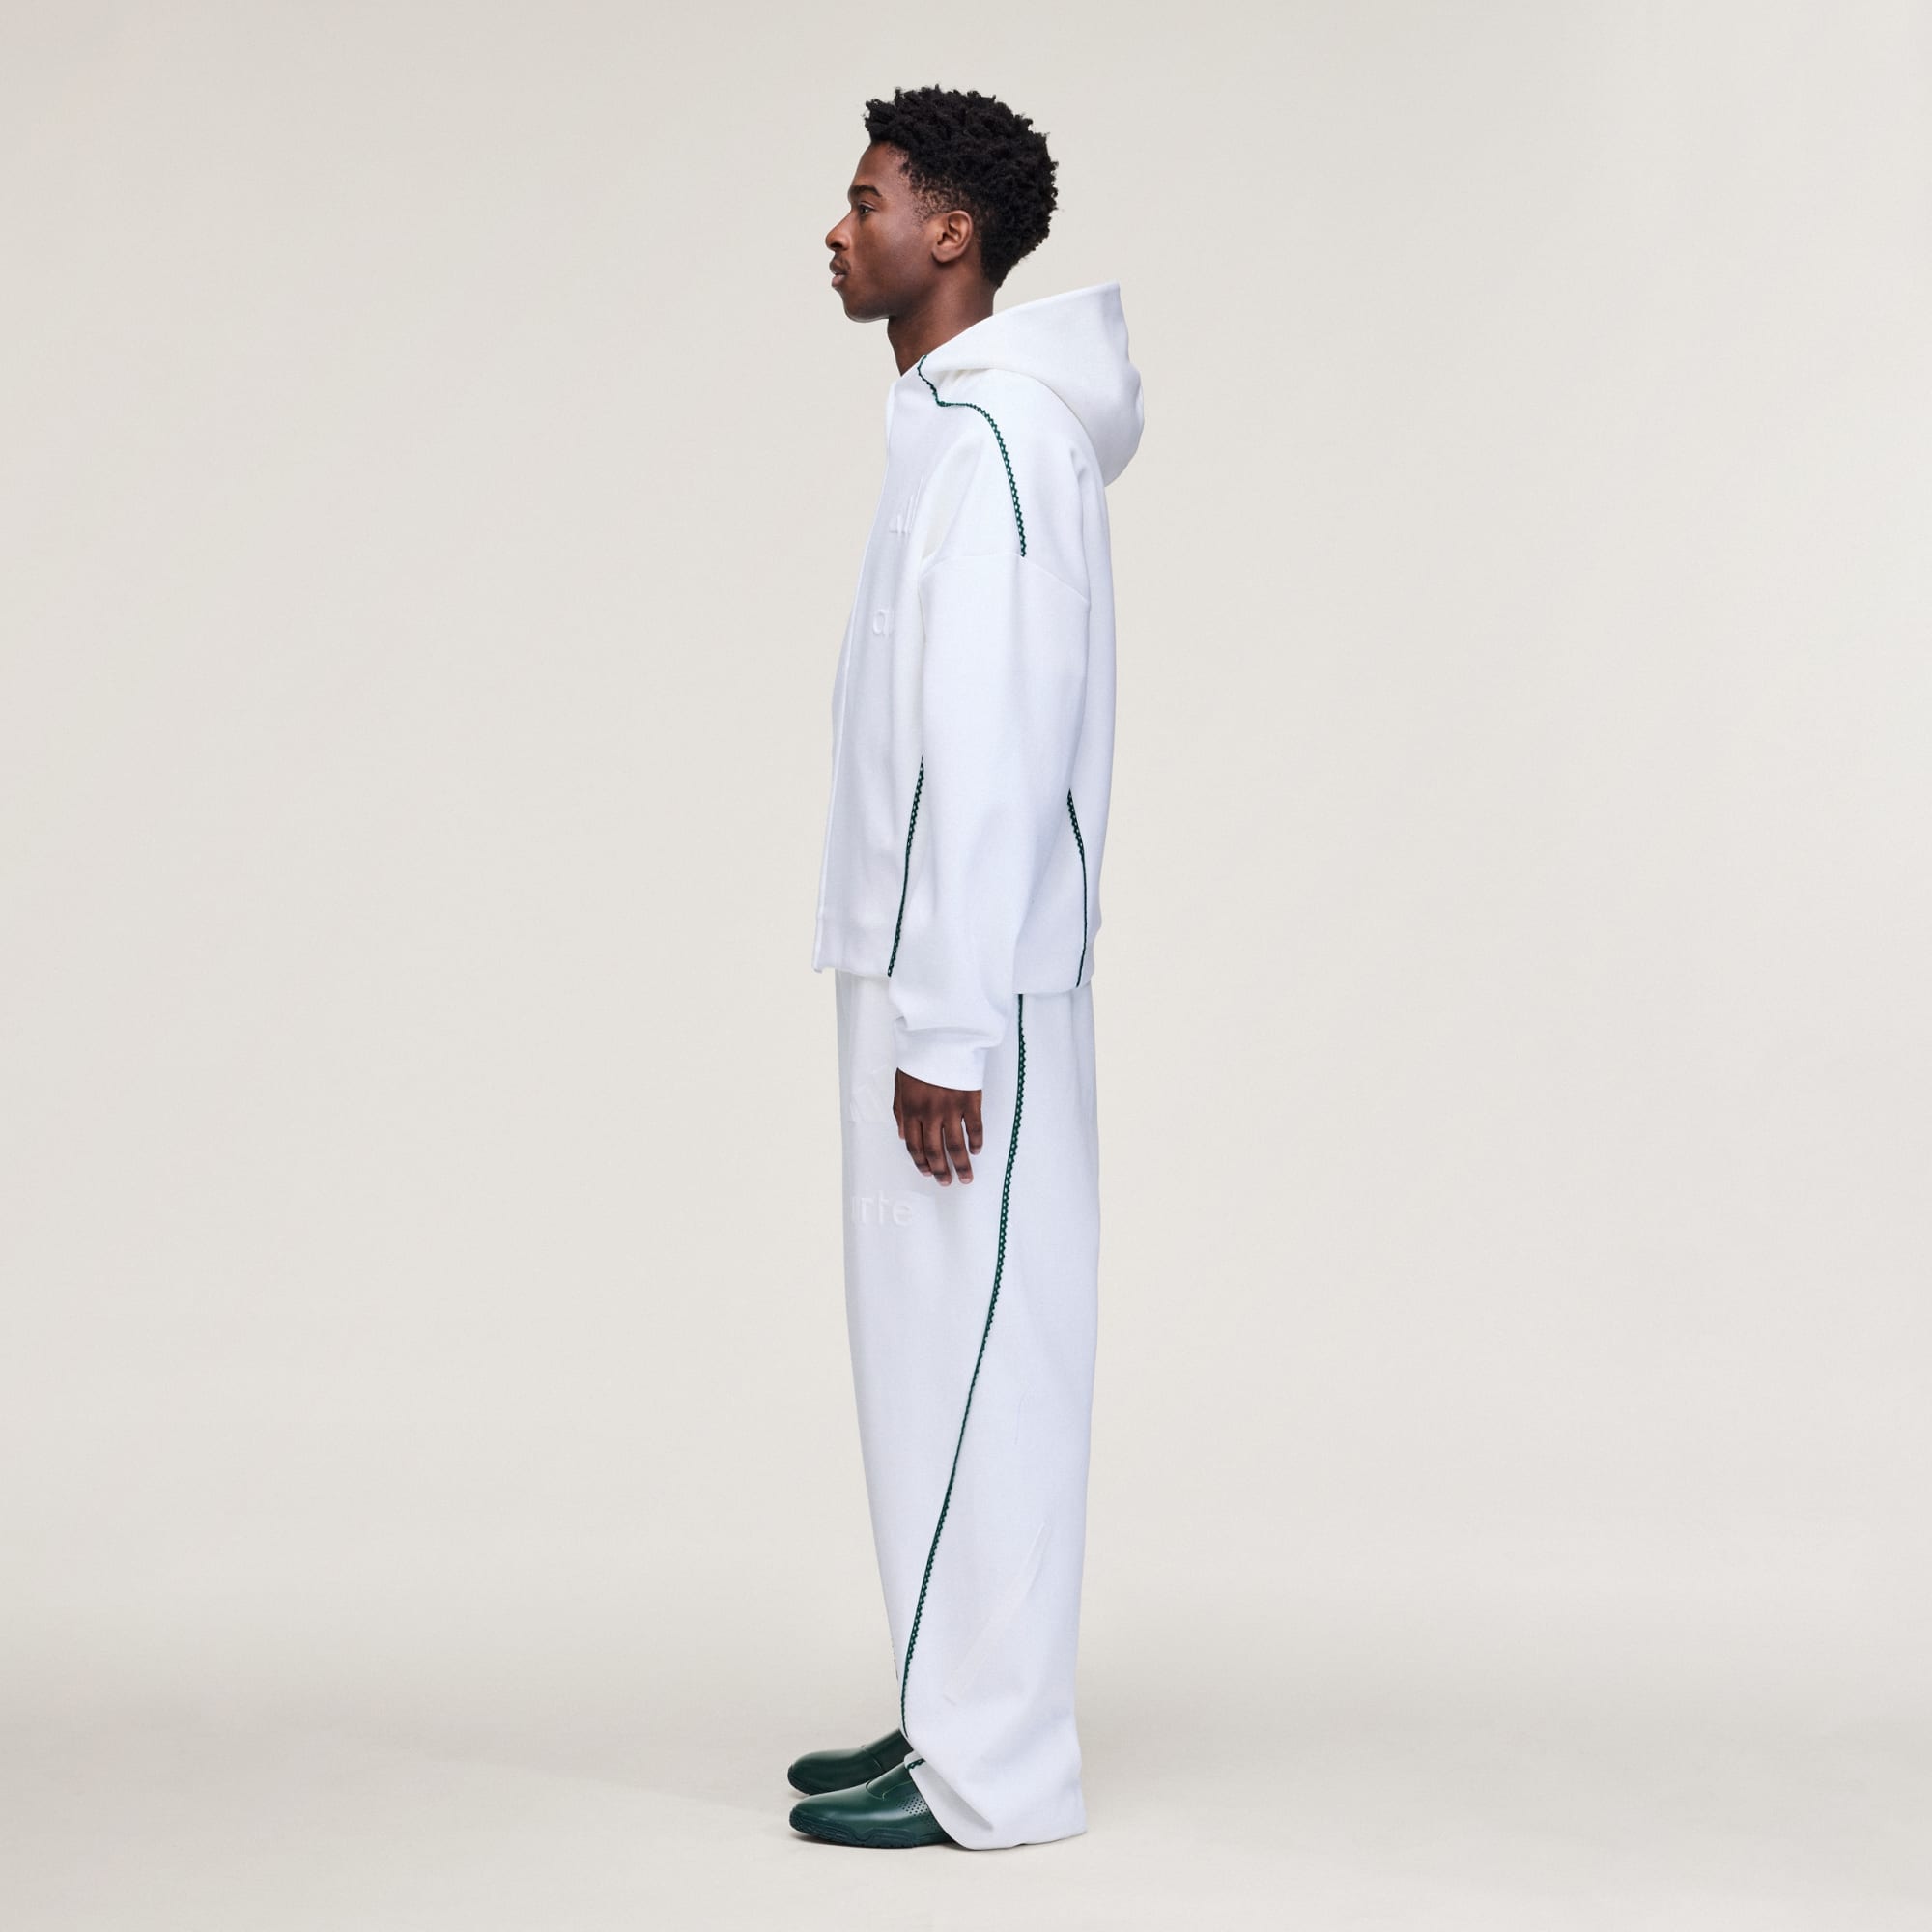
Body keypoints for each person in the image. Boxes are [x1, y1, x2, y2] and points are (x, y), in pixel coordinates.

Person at [791, 83, 1144, 1852]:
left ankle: (999, 1774)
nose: (835, 229)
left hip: (969, 997)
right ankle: (950, 1717)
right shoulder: (949, 430)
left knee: (989, 1366)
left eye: (865, 201)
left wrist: (945, 1021)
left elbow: (993, 746)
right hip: (925, 978)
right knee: (930, 1363)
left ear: (952, 232)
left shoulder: (1002, 443)